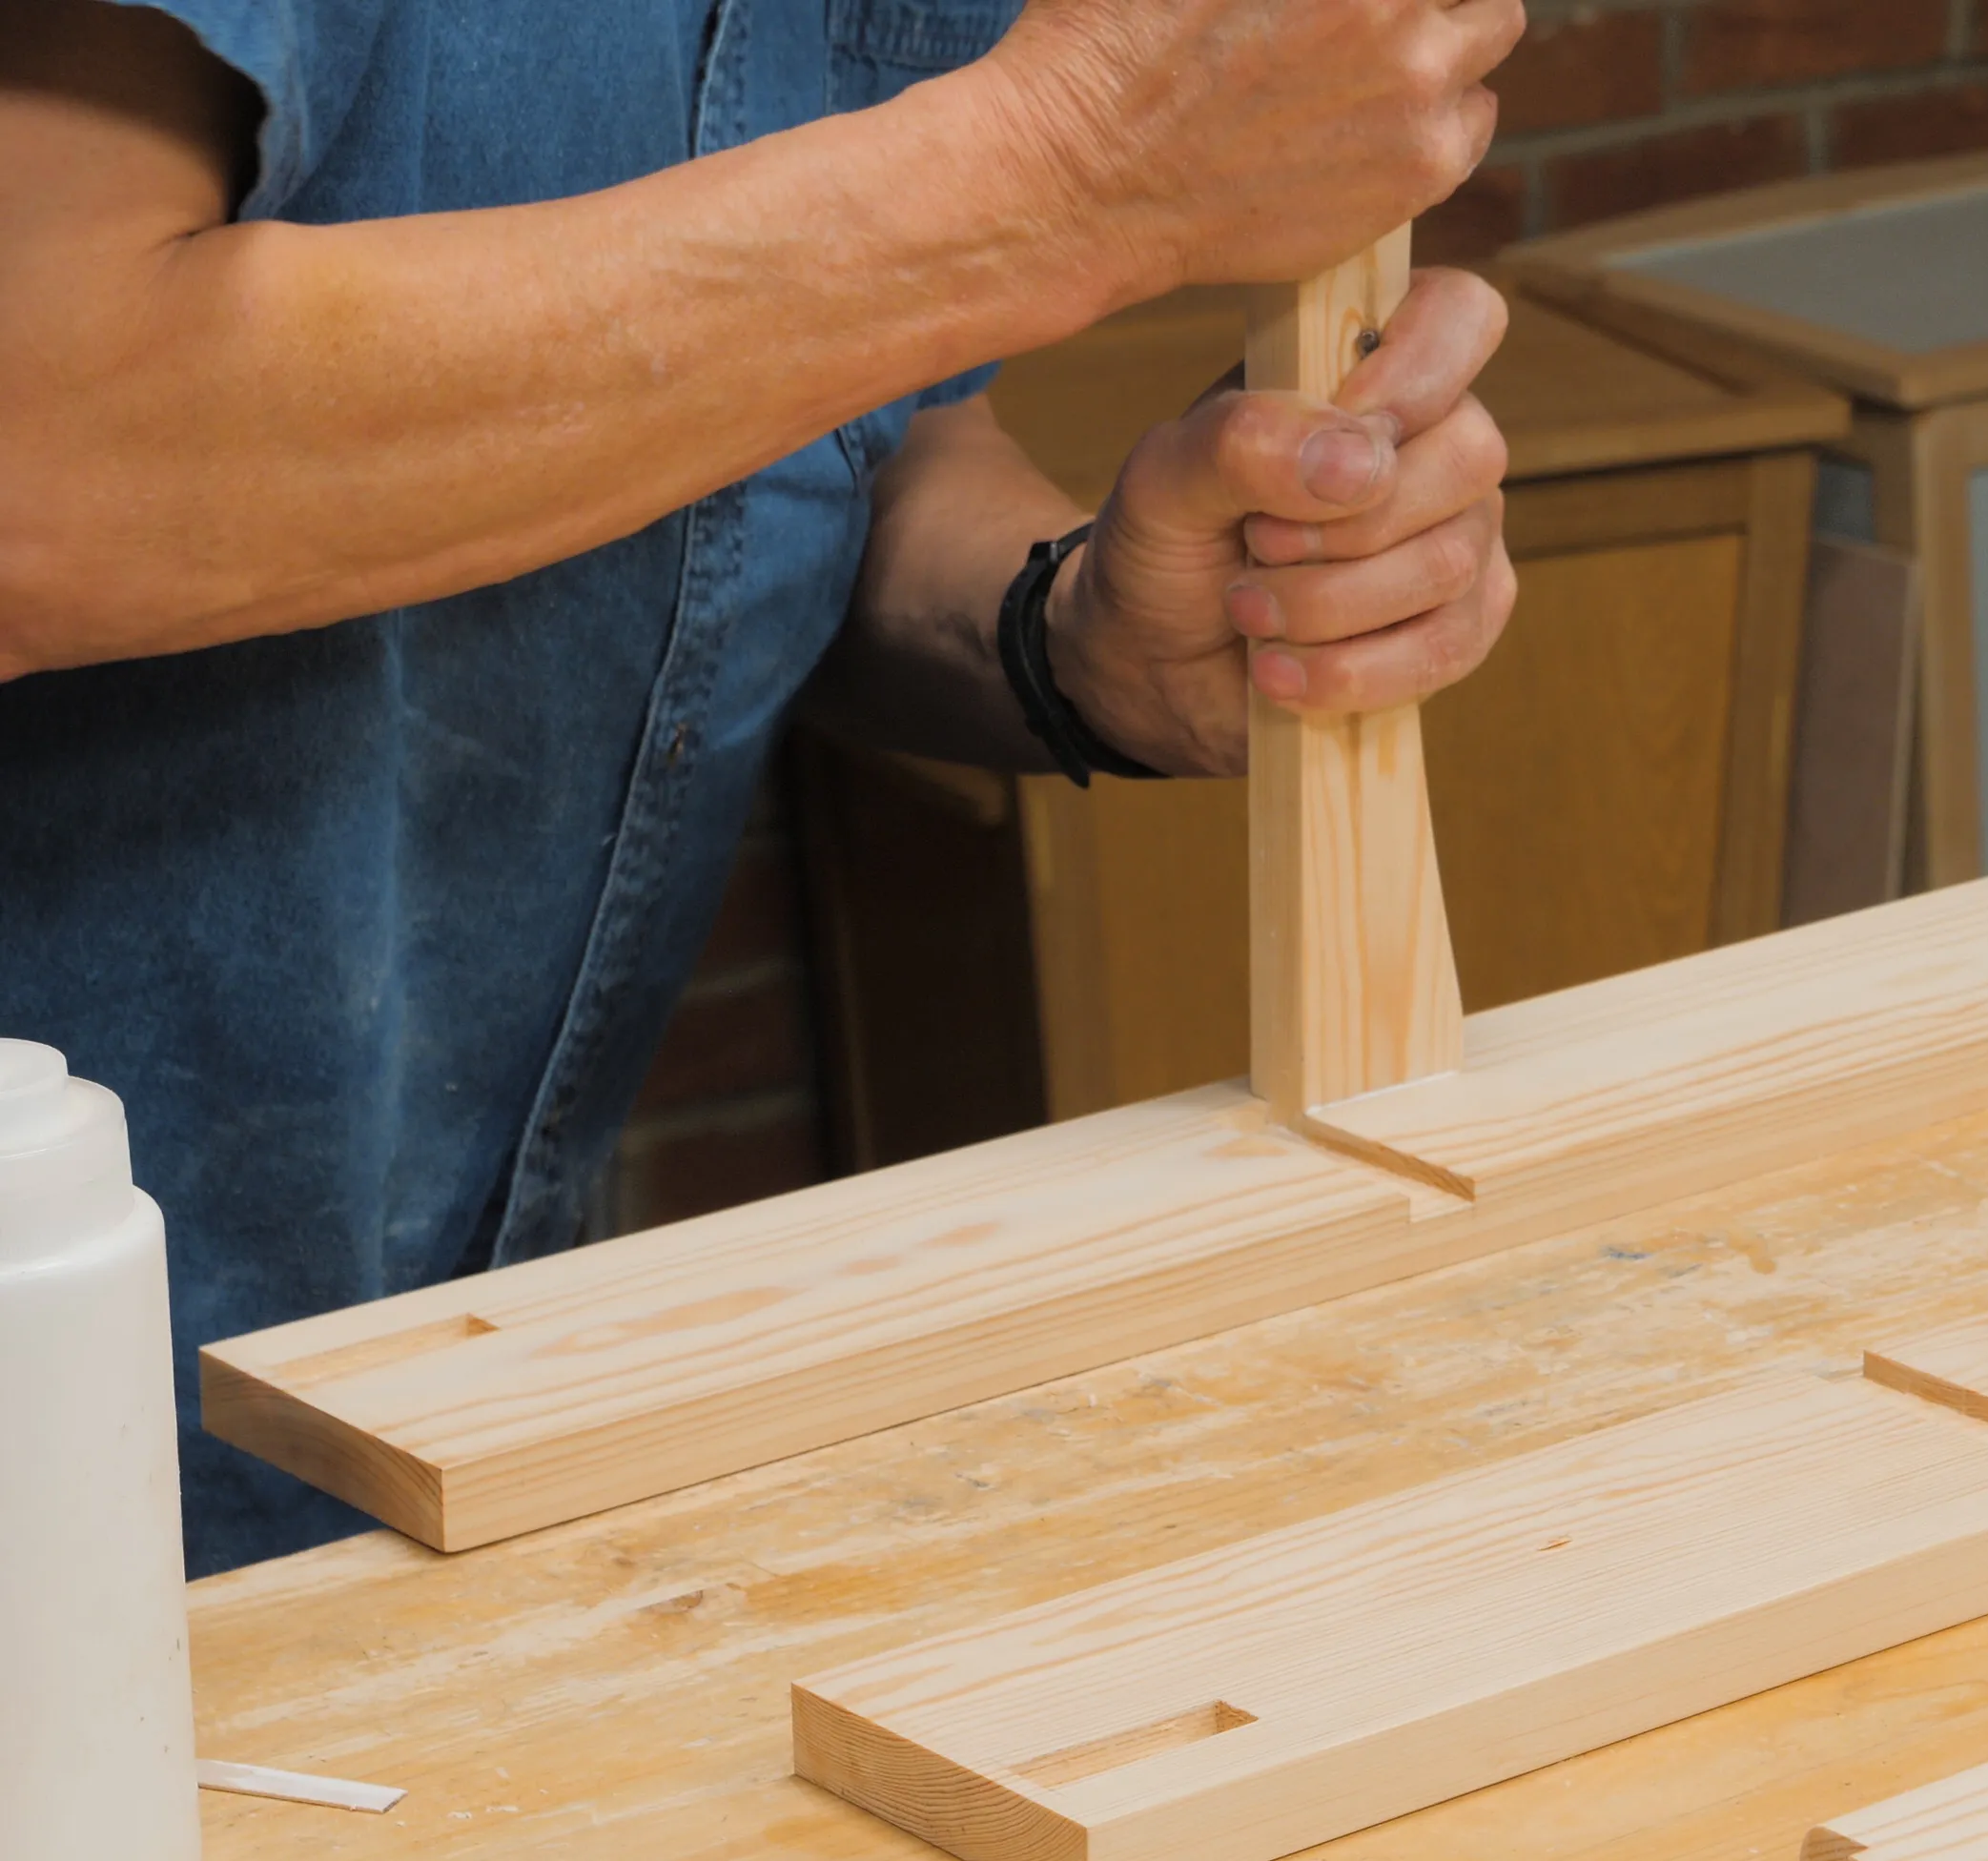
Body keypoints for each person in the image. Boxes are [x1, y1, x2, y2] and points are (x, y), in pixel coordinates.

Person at [0, 0, 1527, 1572]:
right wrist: (1070, 174)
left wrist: (1073, 635)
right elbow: (37, 458)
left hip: (437, 1394)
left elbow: (844, 434)